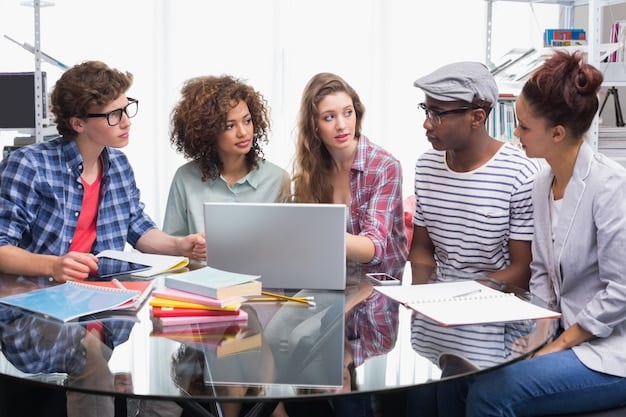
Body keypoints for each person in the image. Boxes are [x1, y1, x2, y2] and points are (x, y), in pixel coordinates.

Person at [0, 60, 206, 416]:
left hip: (102, 303)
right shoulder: (29, 165)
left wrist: (179, 245)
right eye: (113, 115)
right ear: (79, 123)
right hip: (35, 307)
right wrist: (54, 264)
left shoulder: (119, 165)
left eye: (127, 108)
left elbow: (138, 228)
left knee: (174, 355)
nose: (126, 120)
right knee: (90, 357)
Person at [462, 50, 626, 416]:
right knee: (465, 373)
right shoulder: (541, 184)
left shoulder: (611, 187)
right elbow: (540, 275)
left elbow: (622, 290)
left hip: (611, 351)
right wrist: (539, 334)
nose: (515, 133)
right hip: (561, 334)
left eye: (523, 126)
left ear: (557, 133)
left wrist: (559, 344)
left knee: (493, 393)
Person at [400, 61, 540, 417]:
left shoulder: (520, 173)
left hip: (493, 317)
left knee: (454, 392)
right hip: (436, 316)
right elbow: (422, 248)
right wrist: (420, 297)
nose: (427, 122)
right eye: (425, 109)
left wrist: (462, 296)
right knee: (402, 396)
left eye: (438, 113)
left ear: (478, 117)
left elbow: (522, 270)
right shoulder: (427, 166)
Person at [291, 72, 406, 417]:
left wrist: (313, 232)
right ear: (314, 125)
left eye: (348, 112)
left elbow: (374, 249)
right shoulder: (314, 169)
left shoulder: (383, 167)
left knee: (348, 402)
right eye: (329, 117)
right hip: (329, 289)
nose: (342, 125)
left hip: (375, 296)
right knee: (287, 364)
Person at [163, 75, 290, 236]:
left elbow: (286, 249)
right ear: (208, 132)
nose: (243, 132)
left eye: (247, 121)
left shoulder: (278, 180)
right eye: (230, 126)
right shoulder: (185, 178)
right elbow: (173, 250)